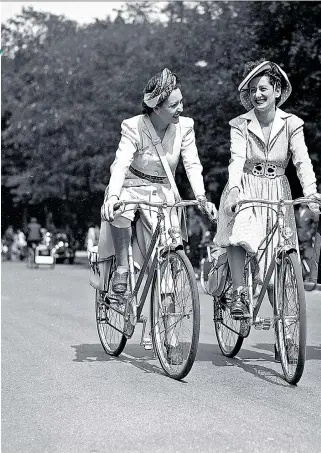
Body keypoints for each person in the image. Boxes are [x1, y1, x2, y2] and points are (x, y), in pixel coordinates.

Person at [99, 68, 217, 362]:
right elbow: (121, 163)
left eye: (181, 102)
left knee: (168, 259)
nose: (181, 108)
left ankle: (169, 335)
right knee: (120, 208)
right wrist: (113, 195)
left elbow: (192, 165)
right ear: (156, 106)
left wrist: (201, 196)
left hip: (163, 191)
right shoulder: (133, 126)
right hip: (131, 185)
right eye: (175, 104)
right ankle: (124, 268)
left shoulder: (185, 127)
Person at [214, 60, 320, 320]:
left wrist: (311, 192)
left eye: (262, 89)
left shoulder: (291, 123)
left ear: (276, 90)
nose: (257, 95)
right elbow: (236, 159)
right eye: (252, 90)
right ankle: (238, 292)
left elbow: (302, 160)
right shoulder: (240, 124)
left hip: (277, 190)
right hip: (246, 185)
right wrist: (235, 190)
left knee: (279, 254)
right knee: (239, 232)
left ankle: (284, 328)